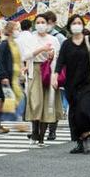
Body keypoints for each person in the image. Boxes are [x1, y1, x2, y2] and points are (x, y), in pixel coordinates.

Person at [53, 15, 90, 154]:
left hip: (88, 82)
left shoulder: (89, 40)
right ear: (69, 25)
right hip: (71, 84)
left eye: (79, 23)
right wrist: (55, 77)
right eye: (74, 23)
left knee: (84, 109)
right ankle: (80, 142)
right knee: (74, 113)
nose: (77, 25)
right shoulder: (66, 44)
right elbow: (60, 62)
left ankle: (87, 133)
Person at [23, 13, 63, 147]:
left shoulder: (54, 39)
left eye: (43, 22)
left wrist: (52, 55)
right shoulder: (30, 38)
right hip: (34, 71)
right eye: (38, 22)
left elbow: (58, 58)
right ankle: (34, 132)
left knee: (47, 103)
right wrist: (41, 49)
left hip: (48, 72)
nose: (40, 24)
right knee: (35, 102)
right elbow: (26, 55)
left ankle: (41, 137)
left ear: (47, 24)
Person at [0, 21, 23, 125]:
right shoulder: (4, 44)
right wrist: (3, 76)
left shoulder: (14, 44)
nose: (18, 31)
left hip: (15, 76)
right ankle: (8, 119)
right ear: (11, 31)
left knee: (16, 96)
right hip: (8, 76)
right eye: (16, 28)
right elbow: (0, 61)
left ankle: (13, 118)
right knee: (10, 98)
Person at [44, 11, 66, 140]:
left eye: (49, 22)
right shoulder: (37, 36)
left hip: (54, 72)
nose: (47, 25)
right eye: (45, 22)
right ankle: (40, 128)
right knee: (41, 102)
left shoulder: (60, 38)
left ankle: (52, 130)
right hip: (41, 72)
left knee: (53, 101)